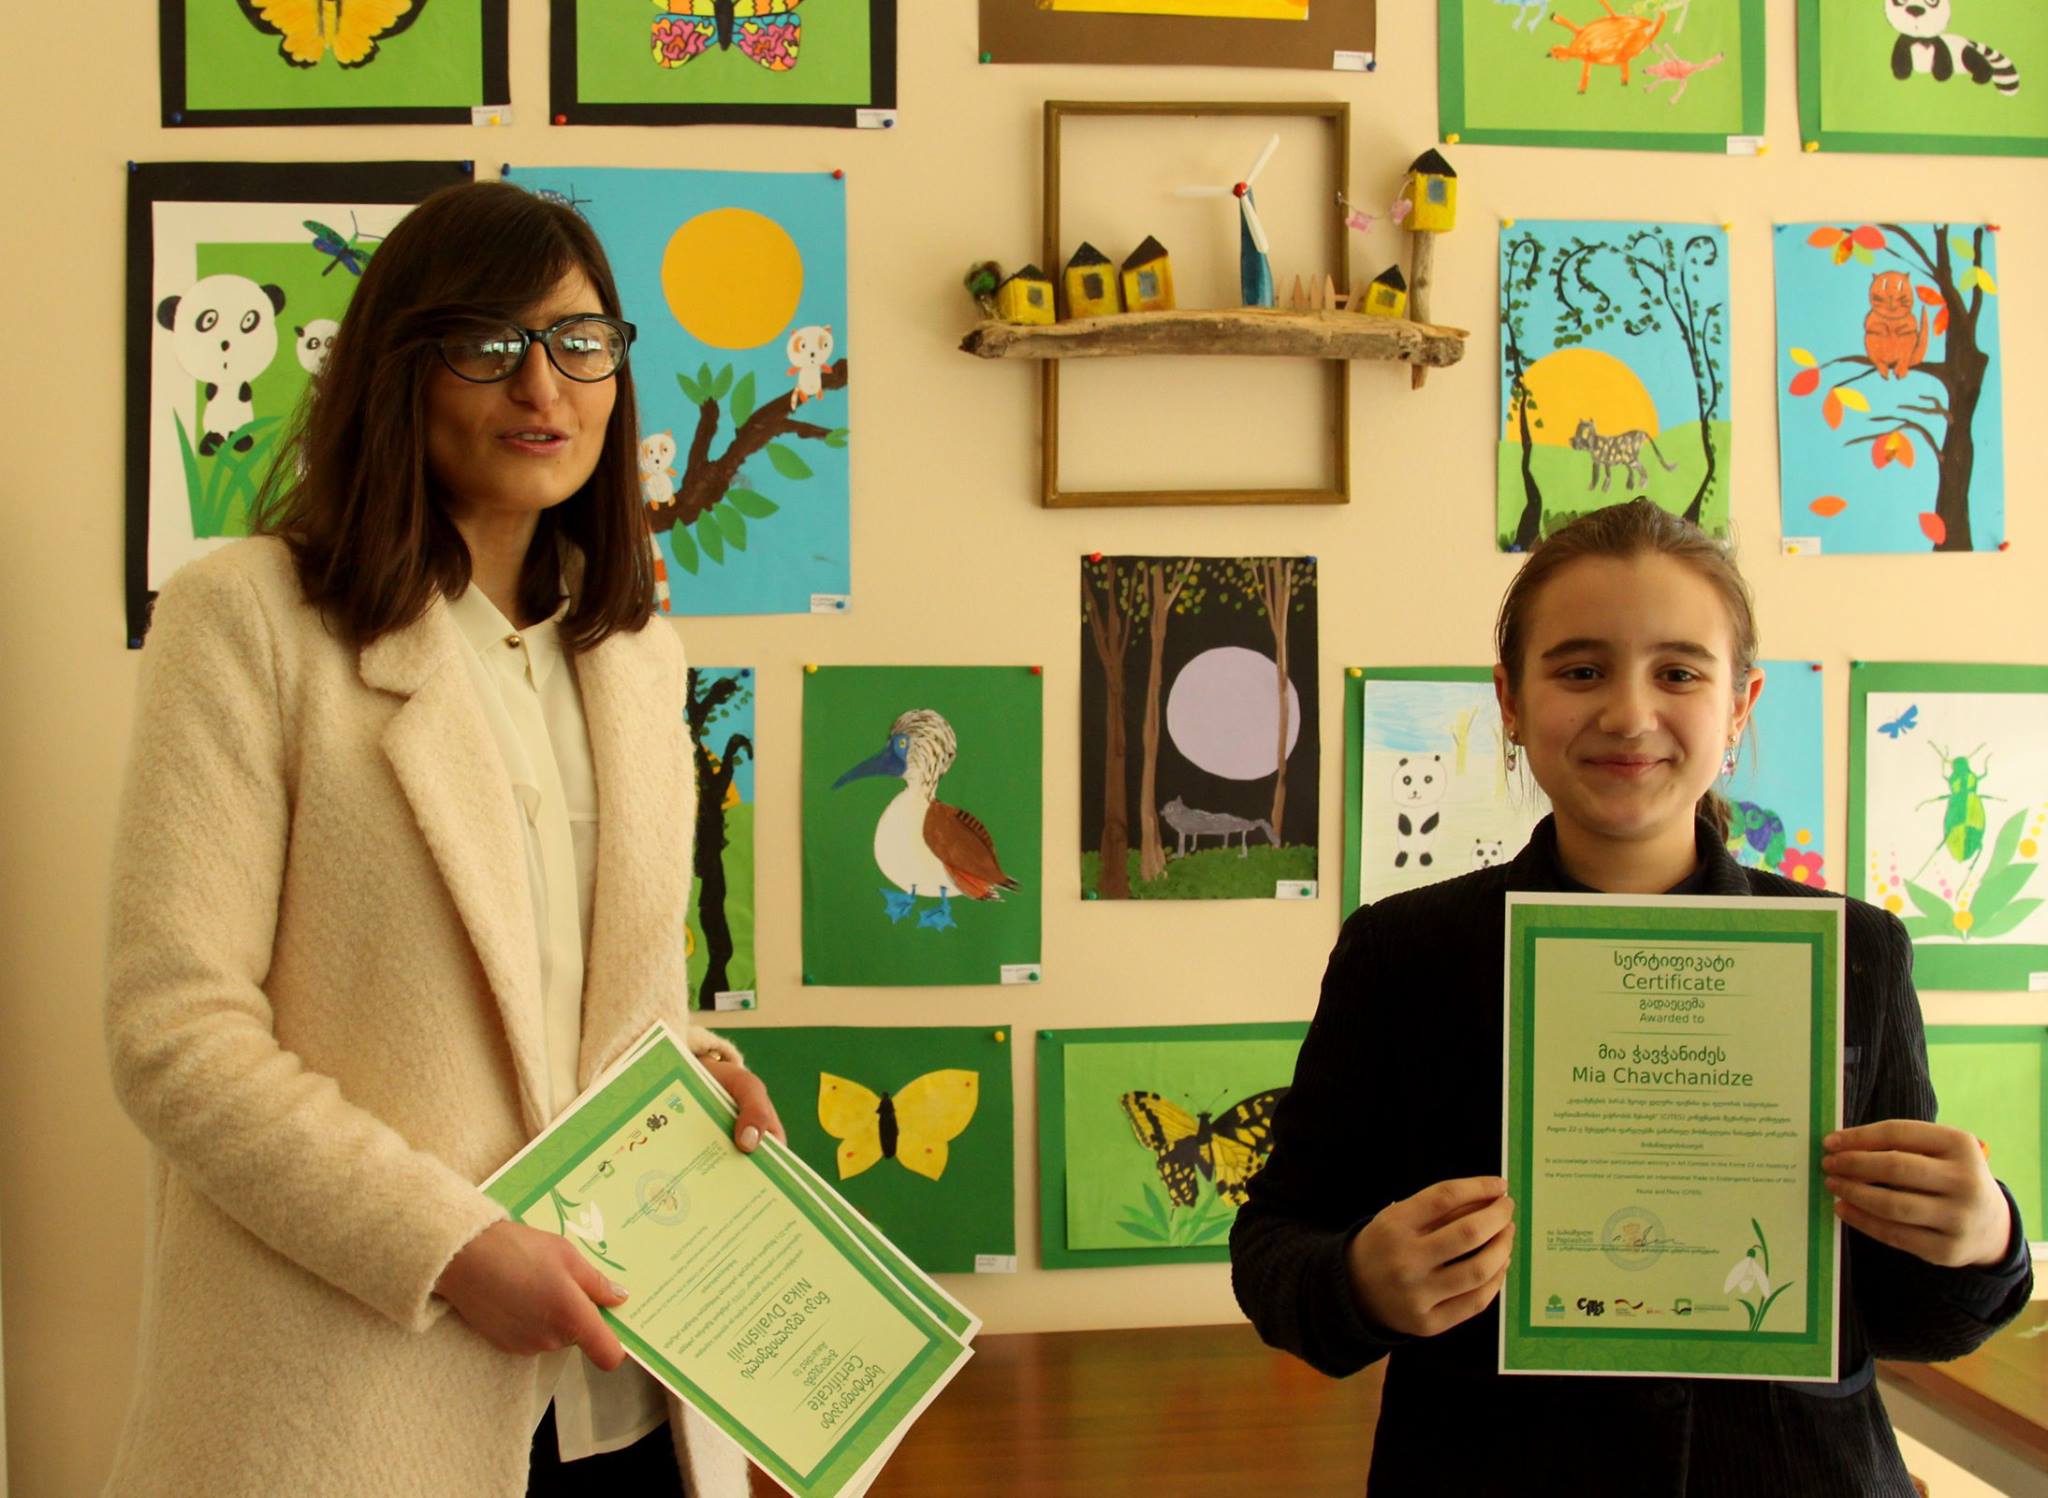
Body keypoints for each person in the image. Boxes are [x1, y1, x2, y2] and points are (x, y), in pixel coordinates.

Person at [103, 182, 782, 1498]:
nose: (542, 384)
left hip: (625, 1393)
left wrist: (698, 1066)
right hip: (357, 1395)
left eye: (579, 341)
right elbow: (172, 1031)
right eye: (488, 342)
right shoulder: (247, 619)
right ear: (399, 367)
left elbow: (597, 995)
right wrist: (451, 1245)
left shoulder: (639, 653)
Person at [1232, 498, 2032, 1495]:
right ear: (1510, 700)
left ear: (1739, 705)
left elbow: (1912, 1317)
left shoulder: (1853, 954)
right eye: (1579, 671)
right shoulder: (1402, 954)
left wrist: (1984, 1241)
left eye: (1678, 673)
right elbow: (1275, 1246)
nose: (1626, 713)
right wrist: (1357, 1280)